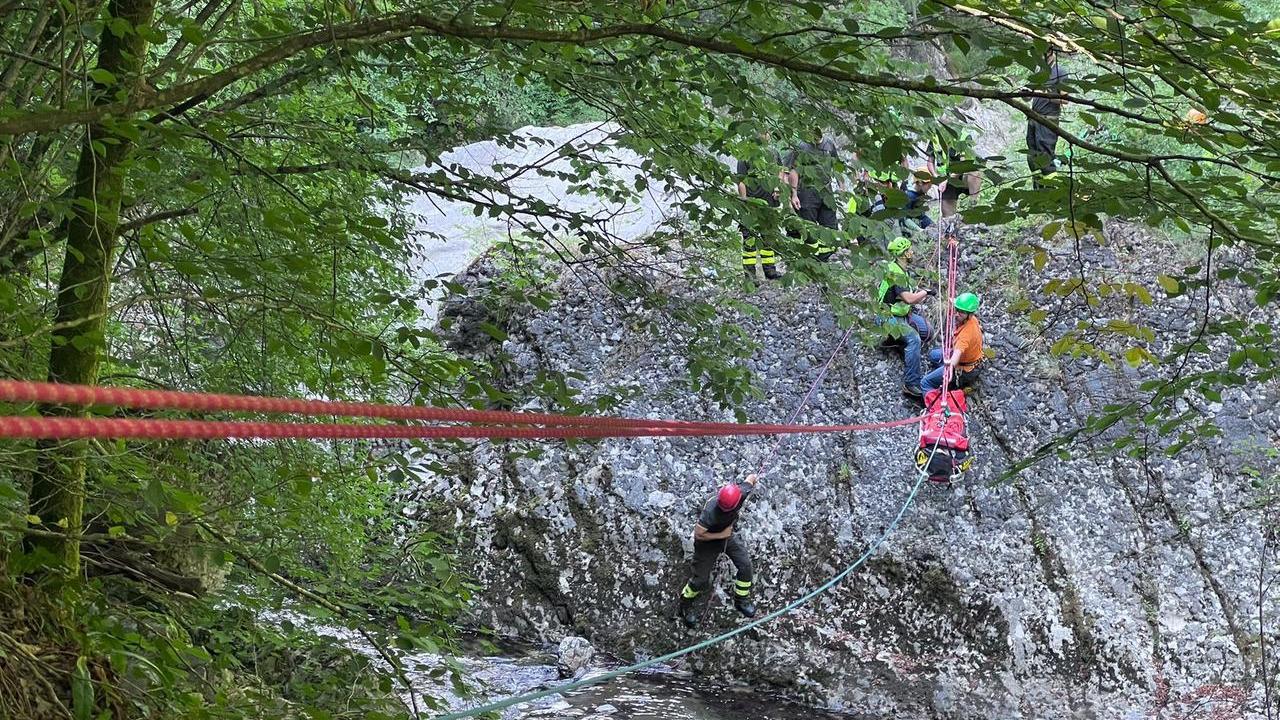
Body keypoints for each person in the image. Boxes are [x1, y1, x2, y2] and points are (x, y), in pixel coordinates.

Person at [678, 473, 759, 628]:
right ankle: (684, 606)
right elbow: (699, 534)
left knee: (745, 565)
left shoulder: (740, 493)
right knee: (701, 580)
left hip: (726, 536)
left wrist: (754, 478)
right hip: (707, 543)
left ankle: (741, 600)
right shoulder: (710, 511)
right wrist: (722, 534)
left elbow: (750, 479)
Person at [877, 237, 934, 400]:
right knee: (914, 339)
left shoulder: (900, 268)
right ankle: (911, 383)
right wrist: (925, 292)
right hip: (887, 317)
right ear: (903, 254)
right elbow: (909, 299)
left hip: (901, 315)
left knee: (927, 332)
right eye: (909, 250)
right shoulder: (895, 272)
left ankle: (895, 340)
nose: (912, 252)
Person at [784, 129, 840, 260]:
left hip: (826, 191)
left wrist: (841, 187)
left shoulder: (829, 145)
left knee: (830, 226)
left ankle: (825, 259)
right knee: (808, 227)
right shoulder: (801, 146)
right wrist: (793, 194)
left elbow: (836, 166)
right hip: (806, 191)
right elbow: (793, 171)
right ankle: (809, 260)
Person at [735, 141, 786, 281]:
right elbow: (741, 180)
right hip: (751, 204)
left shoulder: (773, 152)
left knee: (769, 238)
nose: (765, 135)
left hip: (770, 204)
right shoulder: (745, 154)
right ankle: (750, 276)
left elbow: (780, 171)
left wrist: (778, 187)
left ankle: (770, 271)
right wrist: (744, 201)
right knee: (749, 240)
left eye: (766, 132)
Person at [922, 292, 984, 395]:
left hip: (964, 370)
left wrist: (950, 368)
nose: (957, 314)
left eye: (961, 312)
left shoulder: (965, 335)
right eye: (957, 310)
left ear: (970, 314)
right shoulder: (971, 319)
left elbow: (957, 352)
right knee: (933, 355)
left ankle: (932, 406)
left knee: (925, 382)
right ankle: (940, 376)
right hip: (970, 361)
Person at [1026, 49, 1068, 188]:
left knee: (1045, 157)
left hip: (1048, 121)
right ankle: (1038, 191)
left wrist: (1043, 92)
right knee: (1033, 157)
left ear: (1051, 53)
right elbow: (1029, 97)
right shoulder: (1039, 72)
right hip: (1033, 119)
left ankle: (1053, 192)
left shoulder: (1060, 71)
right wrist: (1026, 93)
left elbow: (1065, 99)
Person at [929, 123, 983, 218]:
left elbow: (964, 164)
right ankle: (953, 225)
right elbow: (930, 162)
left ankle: (972, 205)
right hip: (945, 181)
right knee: (948, 216)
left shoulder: (964, 136)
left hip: (962, 177)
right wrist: (936, 177)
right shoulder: (935, 138)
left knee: (975, 172)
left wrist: (947, 180)